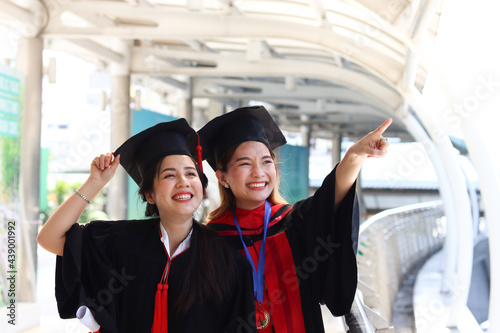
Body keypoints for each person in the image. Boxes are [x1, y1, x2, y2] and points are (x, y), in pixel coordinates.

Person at [37, 119, 256, 333]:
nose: (183, 182)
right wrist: (95, 183)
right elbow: (49, 238)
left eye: (191, 173)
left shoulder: (228, 260)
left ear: (202, 187)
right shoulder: (118, 241)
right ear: (149, 195)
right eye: (169, 175)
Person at [198, 105, 392, 332]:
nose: (258, 172)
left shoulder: (292, 223)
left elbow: (331, 201)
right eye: (244, 164)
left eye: (266, 161)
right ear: (222, 178)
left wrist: (354, 156)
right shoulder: (209, 242)